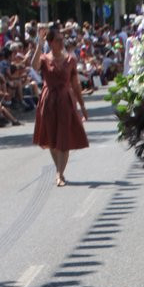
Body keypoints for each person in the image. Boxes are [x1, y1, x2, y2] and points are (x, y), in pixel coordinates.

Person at [31, 24, 88, 186]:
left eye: (62, 39)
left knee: (64, 138)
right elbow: (34, 66)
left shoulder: (70, 60)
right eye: (57, 40)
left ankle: (59, 174)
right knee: (52, 138)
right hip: (48, 101)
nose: (61, 43)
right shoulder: (44, 58)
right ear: (50, 42)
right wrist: (38, 45)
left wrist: (82, 107)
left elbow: (75, 84)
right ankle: (59, 170)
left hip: (65, 100)